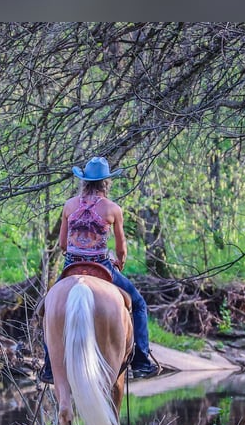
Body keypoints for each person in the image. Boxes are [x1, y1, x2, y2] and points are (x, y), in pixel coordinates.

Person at [39, 156, 159, 383]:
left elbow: (63, 245)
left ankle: (48, 366)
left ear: (84, 181)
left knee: (47, 308)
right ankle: (142, 362)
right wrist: (119, 263)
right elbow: (121, 248)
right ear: (106, 182)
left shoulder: (69, 205)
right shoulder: (113, 209)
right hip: (101, 266)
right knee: (140, 304)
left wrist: (76, 251)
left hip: (72, 266)